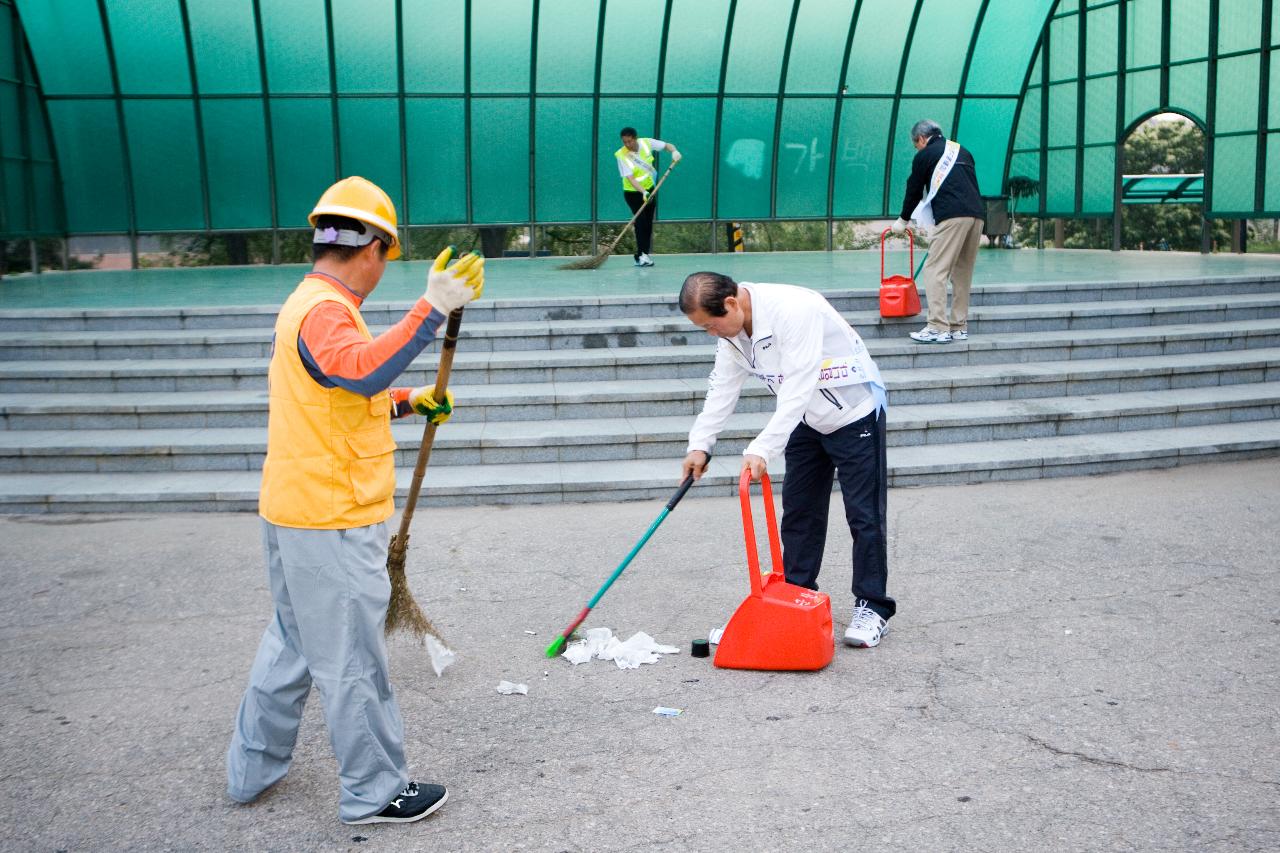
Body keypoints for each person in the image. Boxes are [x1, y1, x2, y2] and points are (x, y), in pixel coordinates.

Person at [225, 176, 484, 825]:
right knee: (350, 659)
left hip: (297, 506)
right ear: (370, 248)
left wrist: (407, 400)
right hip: (331, 518)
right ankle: (374, 790)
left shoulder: (311, 303)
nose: (384, 266)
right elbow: (361, 367)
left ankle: (249, 769)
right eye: (387, 254)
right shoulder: (324, 310)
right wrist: (430, 309)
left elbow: (344, 391)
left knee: (292, 644)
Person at [678, 272, 895, 647]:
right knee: (799, 513)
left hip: (853, 412)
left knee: (864, 515)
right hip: (804, 420)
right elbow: (722, 387)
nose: (712, 334)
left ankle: (873, 606)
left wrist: (762, 447)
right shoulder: (733, 334)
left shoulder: (793, 309)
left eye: (711, 325)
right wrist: (700, 444)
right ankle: (795, 597)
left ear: (731, 303)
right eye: (704, 329)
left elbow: (799, 383)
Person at [892, 119, 985, 344]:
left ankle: (937, 327)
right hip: (977, 216)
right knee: (962, 273)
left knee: (935, 270)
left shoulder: (924, 155)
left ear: (922, 139)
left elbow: (914, 190)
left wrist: (902, 220)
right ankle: (958, 327)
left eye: (916, 144)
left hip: (952, 216)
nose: (918, 148)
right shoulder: (963, 151)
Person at [615, 126, 681, 267]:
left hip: (650, 189)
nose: (627, 145)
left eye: (630, 141)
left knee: (648, 222)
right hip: (633, 193)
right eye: (624, 142)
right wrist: (643, 192)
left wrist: (674, 151)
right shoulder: (621, 155)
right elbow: (631, 179)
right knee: (641, 221)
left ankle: (644, 254)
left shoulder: (646, 142)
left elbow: (667, 146)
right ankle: (641, 255)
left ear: (635, 138)